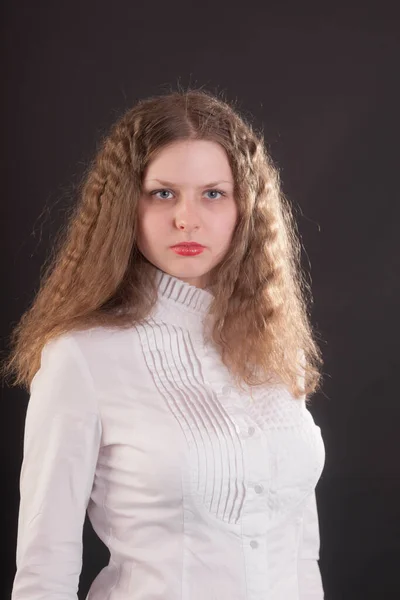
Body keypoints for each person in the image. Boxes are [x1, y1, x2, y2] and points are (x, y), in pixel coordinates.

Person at [5, 88, 326, 599]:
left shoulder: (269, 345)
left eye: (213, 193)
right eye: (163, 193)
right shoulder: (81, 357)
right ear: (124, 206)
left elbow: (299, 546)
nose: (187, 218)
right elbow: (46, 567)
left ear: (246, 208)